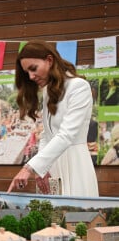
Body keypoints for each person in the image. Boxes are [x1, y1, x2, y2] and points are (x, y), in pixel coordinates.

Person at [7, 40, 99, 197]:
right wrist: (42, 169)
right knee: (52, 218)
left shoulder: (79, 87)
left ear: (49, 60)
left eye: (33, 69)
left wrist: (29, 168)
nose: (30, 76)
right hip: (53, 166)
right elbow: (47, 135)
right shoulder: (48, 92)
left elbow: (66, 135)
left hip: (74, 164)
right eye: (27, 72)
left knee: (74, 217)